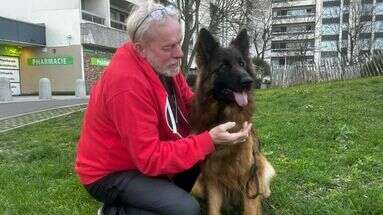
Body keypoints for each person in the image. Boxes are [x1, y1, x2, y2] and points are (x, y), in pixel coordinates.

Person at [75, 1, 252, 215]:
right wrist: (208, 140)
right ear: (140, 48)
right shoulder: (127, 85)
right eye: (168, 47)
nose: (179, 54)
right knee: (186, 209)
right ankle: (114, 211)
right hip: (111, 172)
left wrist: (223, 104)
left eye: (179, 43)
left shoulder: (164, 62)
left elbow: (189, 102)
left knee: (195, 159)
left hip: (139, 160)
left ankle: (152, 198)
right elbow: (150, 158)